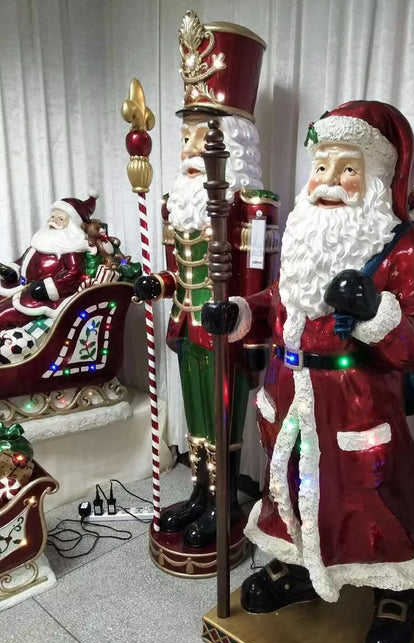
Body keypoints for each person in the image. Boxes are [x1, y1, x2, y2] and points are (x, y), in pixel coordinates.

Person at [202, 100, 414, 643]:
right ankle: (298, 567)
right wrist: (241, 311)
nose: (329, 180)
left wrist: (375, 312)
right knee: (291, 483)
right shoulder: (306, 229)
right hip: (289, 394)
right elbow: (282, 300)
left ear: (378, 176)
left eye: (348, 167)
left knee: (370, 497)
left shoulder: (401, 246)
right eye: (321, 166)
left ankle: (394, 592)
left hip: (356, 403)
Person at [133, 10, 280, 549]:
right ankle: (199, 493)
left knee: (222, 416)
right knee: (196, 415)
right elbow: (179, 270)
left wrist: (255, 339)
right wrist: (160, 285)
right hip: (187, 328)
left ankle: (224, 503)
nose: (191, 148)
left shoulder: (254, 206)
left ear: (233, 144)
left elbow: (261, 281)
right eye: (187, 136)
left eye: (204, 136)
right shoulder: (176, 202)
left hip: (228, 333)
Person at [0, 192, 98, 333]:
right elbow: (24, 259)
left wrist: (46, 288)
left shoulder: (71, 246)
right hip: (20, 287)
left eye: (60, 219)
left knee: (3, 315)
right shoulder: (42, 240)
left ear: (72, 224)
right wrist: (12, 270)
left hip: (40, 298)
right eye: (53, 217)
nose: (53, 221)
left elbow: (74, 274)